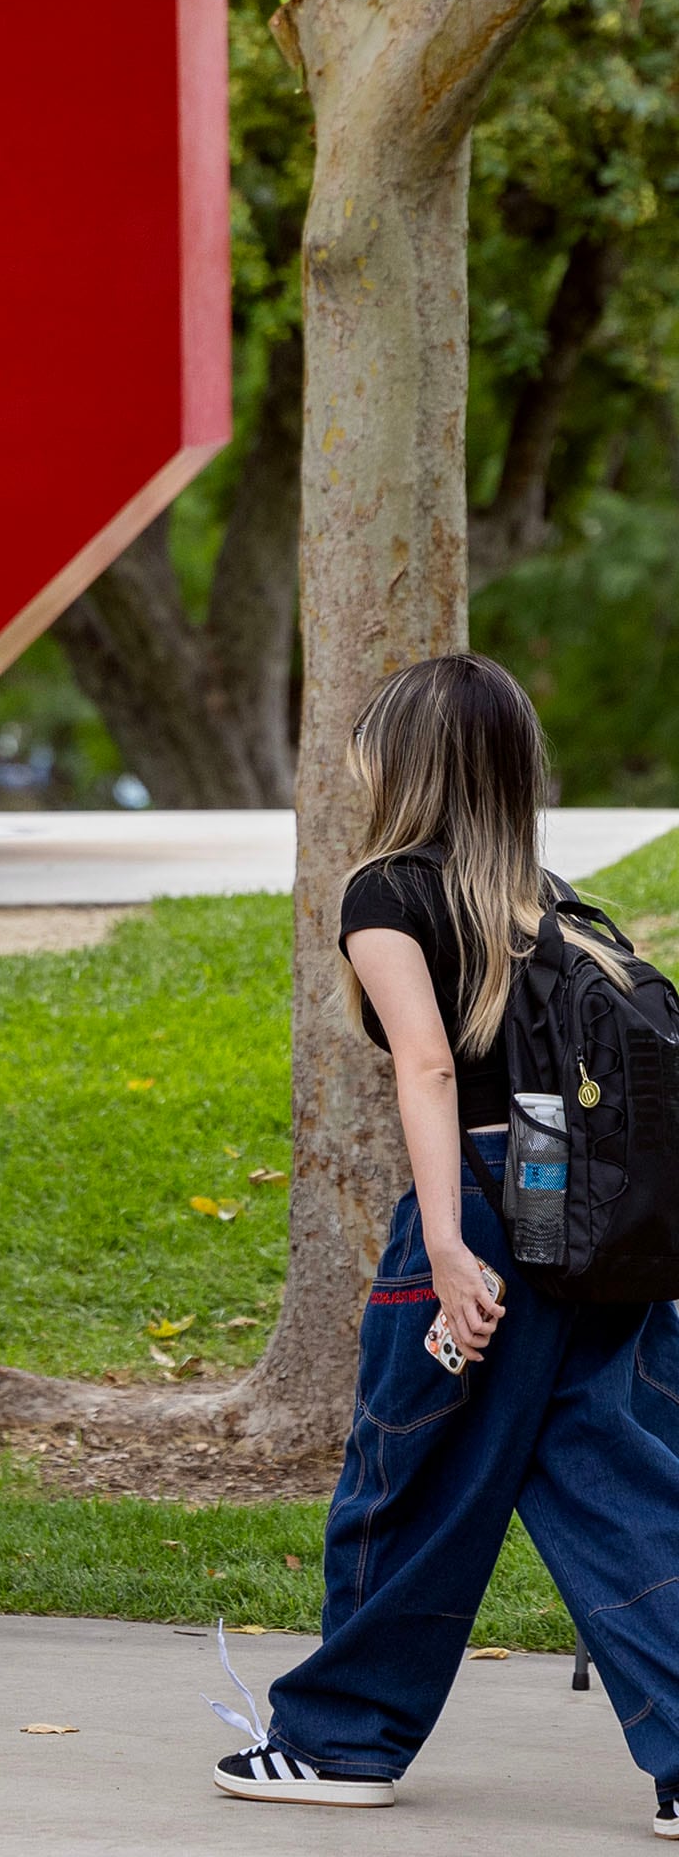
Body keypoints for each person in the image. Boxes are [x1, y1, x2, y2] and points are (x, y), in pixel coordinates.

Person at [214, 651, 679, 1832]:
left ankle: (339, 1736)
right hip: (597, 1221)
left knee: (406, 1476)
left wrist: (449, 1245)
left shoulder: (388, 890)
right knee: (610, 1482)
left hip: (479, 1206)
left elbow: (426, 1062)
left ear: (406, 764)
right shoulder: (553, 900)